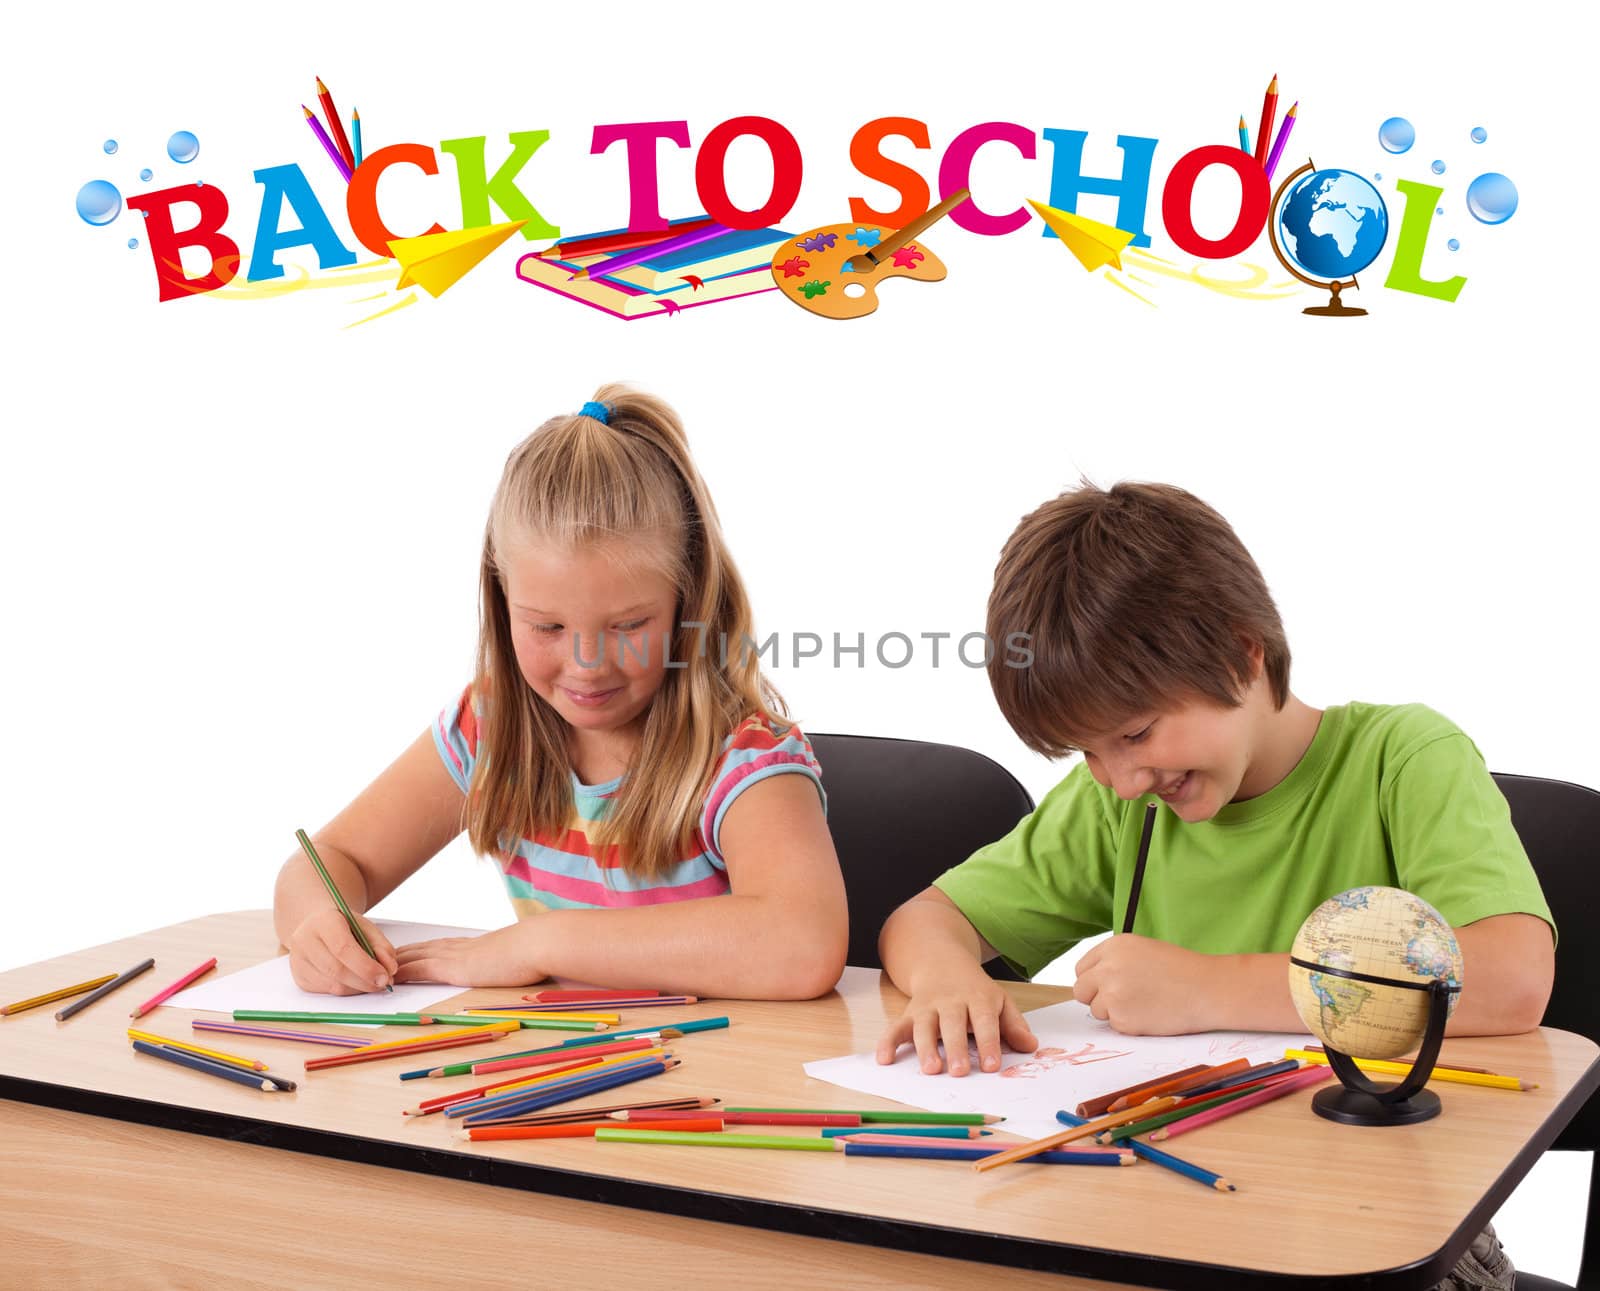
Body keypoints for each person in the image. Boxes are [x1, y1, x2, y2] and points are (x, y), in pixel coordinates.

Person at [875, 480, 1552, 1291]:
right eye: (1087, 752)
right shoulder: (1118, 806)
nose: (1120, 780)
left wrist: (1207, 988)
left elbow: (1512, 978)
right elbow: (925, 919)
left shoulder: (1402, 760)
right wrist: (949, 976)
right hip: (1178, 1222)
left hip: (1388, 1241)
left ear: (1242, 653)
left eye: (1134, 733)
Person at [273, 386, 847, 1000]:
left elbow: (802, 944)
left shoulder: (744, 759)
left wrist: (537, 943)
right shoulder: (489, 725)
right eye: (547, 627)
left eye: (629, 626)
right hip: (557, 1072)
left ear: (689, 602)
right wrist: (317, 925)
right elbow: (332, 858)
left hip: (711, 1079)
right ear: (502, 605)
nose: (587, 665)